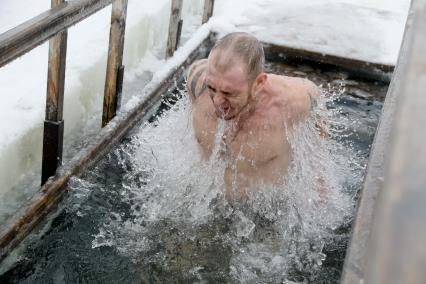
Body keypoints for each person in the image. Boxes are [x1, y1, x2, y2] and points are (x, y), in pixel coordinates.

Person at [186, 32, 323, 200]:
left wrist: (320, 175)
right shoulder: (197, 83)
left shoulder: (290, 102)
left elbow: (318, 104)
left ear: (259, 83)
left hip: (268, 208)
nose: (217, 101)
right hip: (208, 200)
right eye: (212, 88)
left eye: (229, 92)